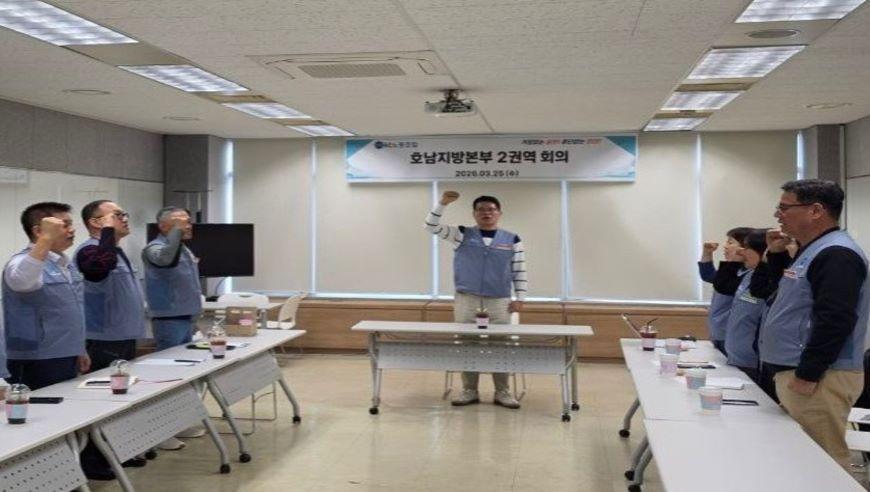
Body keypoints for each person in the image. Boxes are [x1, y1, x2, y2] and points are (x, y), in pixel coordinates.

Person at [760, 179, 869, 470]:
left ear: (816, 210)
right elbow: (784, 299)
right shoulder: (813, 250)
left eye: (785, 207)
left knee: (822, 464)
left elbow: (836, 319)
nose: (777, 214)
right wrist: (777, 256)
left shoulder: (837, 254)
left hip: (820, 377)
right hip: (803, 371)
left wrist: (809, 373)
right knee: (801, 461)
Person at [425, 190, 527, 409]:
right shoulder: (461, 234)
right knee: (467, 343)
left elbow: (519, 270)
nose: (486, 213)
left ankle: (502, 391)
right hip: (467, 298)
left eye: (491, 209)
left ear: (499, 213)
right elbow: (431, 226)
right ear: (474, 214)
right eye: (481, 210)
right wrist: (442, 204)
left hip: (499, 300)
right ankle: (469, 390)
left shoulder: (512, 239)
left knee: (501, 345)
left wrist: (521, 298)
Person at [2, 202, 90, 389]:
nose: (72, 230)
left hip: (66, 353)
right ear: (38, 231)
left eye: (71, 224)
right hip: (36, 358)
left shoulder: (65, 264)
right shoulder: (20, 262)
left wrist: (79, 348)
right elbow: (22, 281)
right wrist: (46, 239)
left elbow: (71, 311)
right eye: (64, 225)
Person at [74, 200, 146, 371]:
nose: (125, 219)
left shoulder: (116, 251)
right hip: (104, 337)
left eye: (125, 215)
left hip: (124, 334)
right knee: (106, 383)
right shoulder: (89, 250)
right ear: (95, 222)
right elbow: (103, 264)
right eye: (117, 216)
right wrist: (108, 229)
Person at [142, 206, 202, 351]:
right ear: (162, 226)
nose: (187, 226)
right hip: (169, 320)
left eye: (188, 222)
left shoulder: (183, 248)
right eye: (179, 222)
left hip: (186, 316)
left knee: (186, 360)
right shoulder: (154, 247)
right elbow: (165, 259)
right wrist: (177, 232)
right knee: (170, 361)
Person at [723, 228, 769, 383]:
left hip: (754, 361)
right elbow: (722, 285)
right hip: (735, 356)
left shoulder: (772, 282)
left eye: (746, 248)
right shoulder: (749, 275)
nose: (741, 252)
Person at [698, 227, 752, 354]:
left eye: (730, 242)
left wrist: (732, 262)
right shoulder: (733, 270)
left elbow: (723, 285)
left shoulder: (749, 274)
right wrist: (707, 253)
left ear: (745, 248)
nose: (725, 246)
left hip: (733, 335)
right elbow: (709, 276)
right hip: (718, 333)